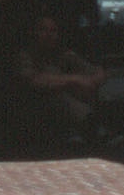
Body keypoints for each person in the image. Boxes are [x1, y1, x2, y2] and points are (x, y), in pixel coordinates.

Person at [13, 13, 115, 147]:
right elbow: (33, 80)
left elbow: (98, 72)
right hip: (34, 112)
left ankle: (79, 130)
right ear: (33, 32)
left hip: (68, 108)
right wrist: (73, 80)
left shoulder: (64, 55)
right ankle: (90, 129)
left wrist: (89, 82)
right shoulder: (24, 56)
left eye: (53, 30)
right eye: (43, 30)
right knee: (55, 91)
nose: (49, 35)